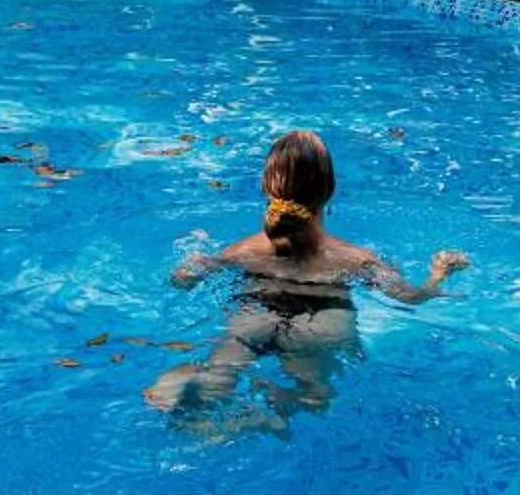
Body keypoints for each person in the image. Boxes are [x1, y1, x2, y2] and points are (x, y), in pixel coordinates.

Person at [141, 129, 467, 431]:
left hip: (255, 312)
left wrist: (190, 267)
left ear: (267, 187)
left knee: (219, 372)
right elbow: (410, 297)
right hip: (323, 321)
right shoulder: (357, 259)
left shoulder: (242, 250)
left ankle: (200, 392)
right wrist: (439, 273)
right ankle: (268, 417)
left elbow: (182, 281)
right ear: (329, 191)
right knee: (316, 398)